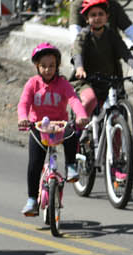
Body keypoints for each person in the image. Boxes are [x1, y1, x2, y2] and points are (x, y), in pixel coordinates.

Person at [17, 42, 89, 215]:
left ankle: (71, 166)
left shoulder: (63, 84)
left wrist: (81, 115)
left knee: (72, 132)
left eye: (52, 66)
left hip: (59, 127)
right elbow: (24, 103)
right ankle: (32, 200)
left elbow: (74, 100)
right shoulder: (32, 84)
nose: (48, 70)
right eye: (43, 66)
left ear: (57, 66)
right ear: (37, 66)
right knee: (34, 163)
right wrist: (23, 118)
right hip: (38, 128)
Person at [73, 0, 133, 87]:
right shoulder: (83, 35)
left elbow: (125, 53)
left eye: (101, 14)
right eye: (93, 15)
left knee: (119, 97)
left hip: (111, 78)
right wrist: (80, 69)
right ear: (86, 19)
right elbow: (77, 53)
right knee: (89, 100)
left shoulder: (111, 34)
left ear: (107, 16)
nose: (97, 18)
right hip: (87, 79)